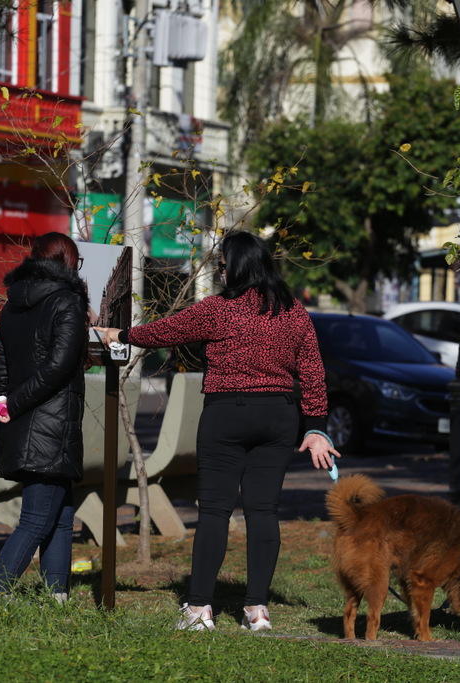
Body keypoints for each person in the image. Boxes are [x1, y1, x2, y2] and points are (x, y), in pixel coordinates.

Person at [94, 230, 339, 631]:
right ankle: (257, 610)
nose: (220, 271)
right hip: (279, 417)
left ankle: (199, 610)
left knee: (214, 512)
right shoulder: (293, 311)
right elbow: (313, 372)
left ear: (237, 267)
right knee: (263, 511)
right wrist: (315, 429)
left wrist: (119, 335)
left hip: (227, 415)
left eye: (222, 265)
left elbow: (164, 331)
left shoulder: (219, 309)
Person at [0, 232, 88, 602]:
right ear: (67, 262)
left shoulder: (13, 303)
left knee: (61, 515)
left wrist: (3, 404)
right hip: (52, 424)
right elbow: (59, 366)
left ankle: (56, 596)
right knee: (35, 520)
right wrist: (13, 404)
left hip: (23, 422)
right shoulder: (67, 301)